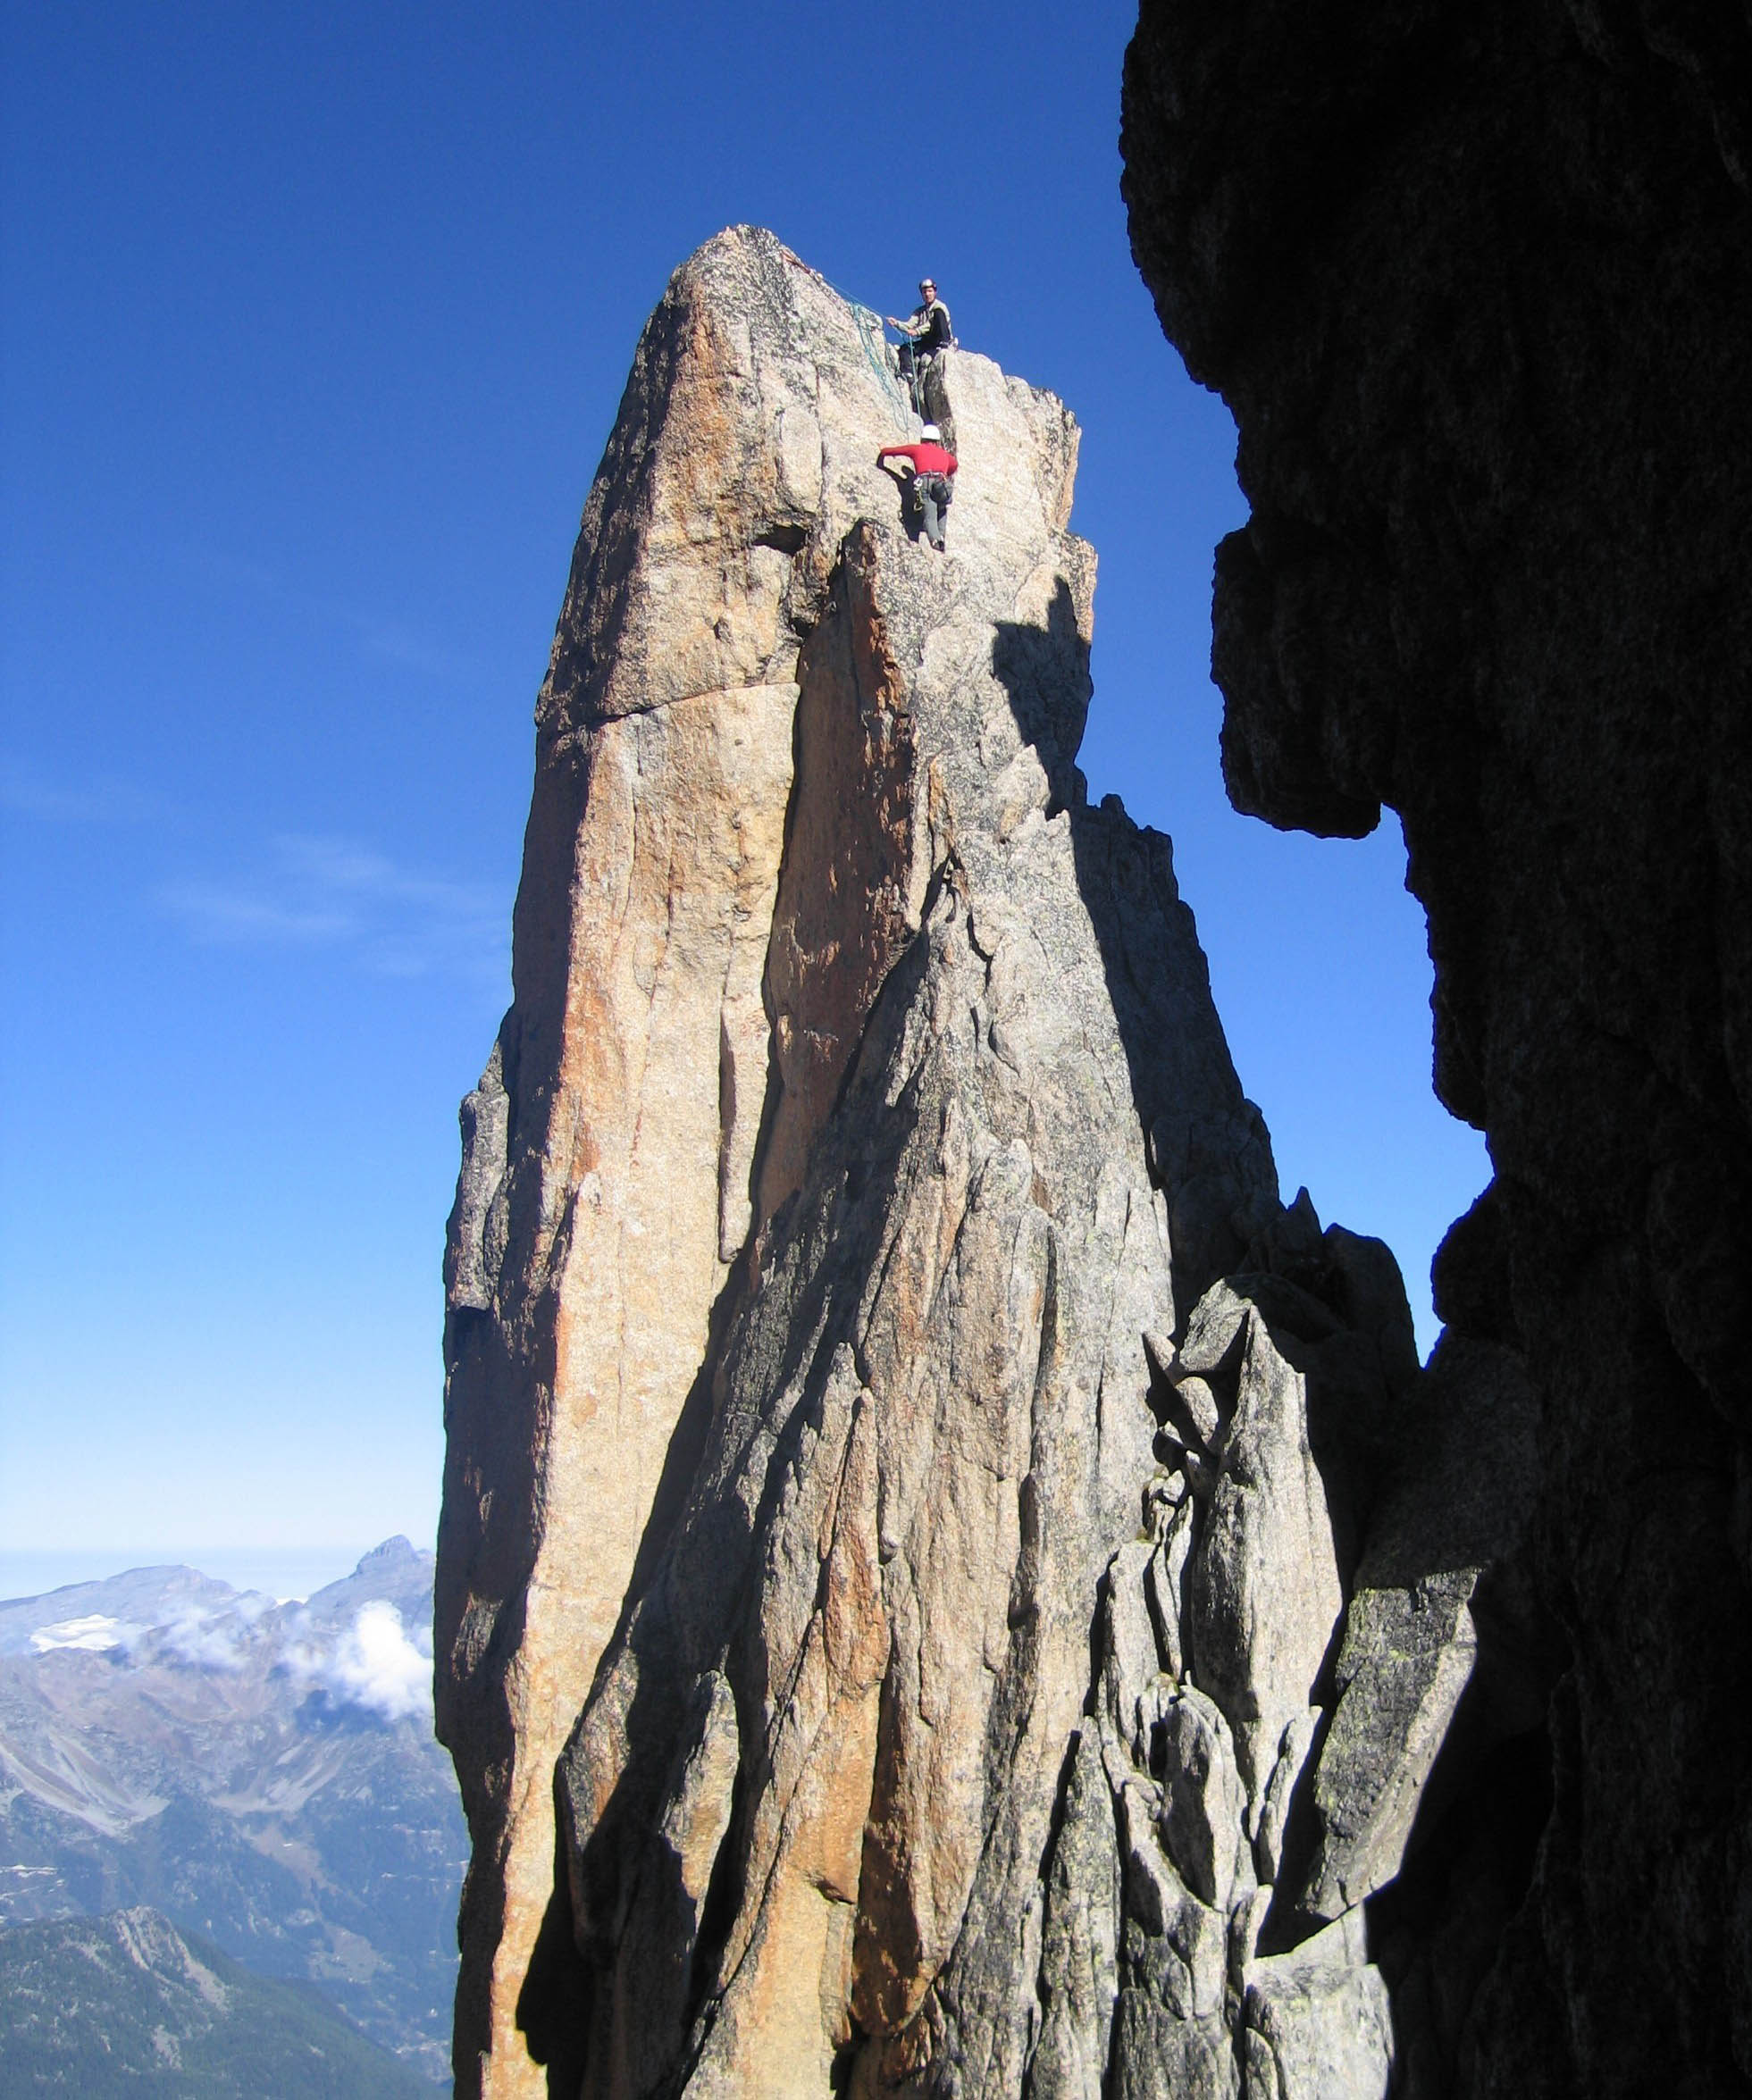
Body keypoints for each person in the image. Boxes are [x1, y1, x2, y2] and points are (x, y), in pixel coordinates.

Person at [885, 279, 955, 440]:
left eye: (930, 291)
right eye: (925, 292)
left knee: (938, 317)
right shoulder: (919, 311)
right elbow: (909, 324)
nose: (927, 294)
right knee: (905, 349)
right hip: (927, 340)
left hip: (938, 336)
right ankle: (908, 373)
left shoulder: (939, 308)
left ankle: (945, 344)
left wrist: (916, 331)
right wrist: (896, 323)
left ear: (934, 292)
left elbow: (930, 326)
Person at [877, 423, 958, 552]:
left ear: (922, 439)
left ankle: (936, 541)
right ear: (937, 442)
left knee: (929, 514)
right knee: (942, 508)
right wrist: (944, 472)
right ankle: (941, 535)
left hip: (924, 483)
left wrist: (883, 451)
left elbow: (897, 451)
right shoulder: (945, 454)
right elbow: (954, 465)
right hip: (941, 483)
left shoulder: (917, 449)